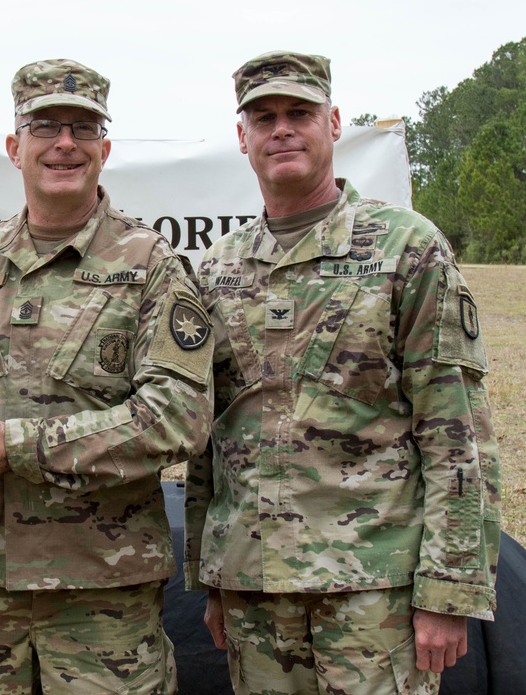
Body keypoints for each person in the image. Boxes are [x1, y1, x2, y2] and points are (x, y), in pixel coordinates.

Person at [184, 51, 501, 695]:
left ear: (333, 122)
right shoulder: (218, 269)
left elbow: (457, 432)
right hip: (254, 584)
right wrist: (209, 574)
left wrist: (449, 588)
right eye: (264, 116)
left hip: (372, 591)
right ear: (242, 137)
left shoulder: (406, 248)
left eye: (299, 113)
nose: (282, 129)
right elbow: (207, 440)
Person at [0, 58, 214, 694]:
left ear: (104, 150)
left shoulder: (150, 265)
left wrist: (20, 446)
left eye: (83, 129)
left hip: (99, 592)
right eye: (45, 126)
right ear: (14, 147)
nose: (65, 143)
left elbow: (179, 417)